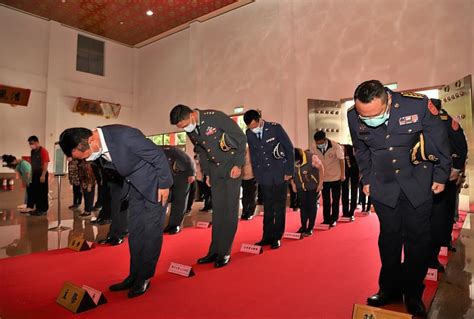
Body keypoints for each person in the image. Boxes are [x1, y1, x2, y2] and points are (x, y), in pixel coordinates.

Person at [348, 80, 451, 317]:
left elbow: (440, 139)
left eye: (375, 115)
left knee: (417, 240)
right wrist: (366, 179)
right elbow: (360, 150)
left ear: (387, 100)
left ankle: (413, 293)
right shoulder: (353, 115)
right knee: (389, 240)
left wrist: (442, 175)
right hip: (383, 186)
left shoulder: (416, 105)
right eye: (365, 117)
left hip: (417, 181)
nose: (369, 120)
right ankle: (389, 289)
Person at [58, 125, 172, 298]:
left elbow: (157, 155)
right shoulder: (98, 145)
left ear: (91, 141)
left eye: (86, 156)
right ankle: (134, 275)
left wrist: (164, 184)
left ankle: (144, 277)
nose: (87, 160)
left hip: (155, 187)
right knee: (135, 232)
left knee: (150, 233)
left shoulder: (124, 136)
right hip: (134, 187)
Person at [170, 104, 246, 268]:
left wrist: (238, 165)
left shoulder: (215, 116)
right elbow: (201, 150)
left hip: (231, 167)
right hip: (215, 170)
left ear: (191, 115)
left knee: (229, 211)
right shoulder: (191, 130)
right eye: (181, 128)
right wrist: (207, 173)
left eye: (184, 125)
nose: (185, 129)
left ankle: (224, 251)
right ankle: (214, 251)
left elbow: (240, 138)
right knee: (218, 211)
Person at [244, 109, 294, 249]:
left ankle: (277, 237)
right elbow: (253, 155)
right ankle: (266, 236)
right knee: (268, 207)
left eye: (254, 126)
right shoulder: (249, 133)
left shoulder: (275, 128)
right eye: (250, 128)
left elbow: (289, 148)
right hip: (264, 176)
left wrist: (289, 170)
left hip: (280, 172)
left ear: (259, 120)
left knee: (279, 206)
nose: (253, 129)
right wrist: (257, 174)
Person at [427, 99, 468, 271]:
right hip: (427, 177)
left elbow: (460, 145)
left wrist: (457, 169)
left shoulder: (446, 121)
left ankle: (434, 255)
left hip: (444, 176)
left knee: (440, 217)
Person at [313, 131, 345, 227]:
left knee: (335, 199)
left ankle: (334, 219)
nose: (319, 145)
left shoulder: (336, 146)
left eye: (320, 142)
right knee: (326, 200)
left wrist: (342, 174)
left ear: (325, 139)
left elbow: (341, 161)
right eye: (317, 143)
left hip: (336, 177)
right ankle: (326, 219)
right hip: (324, 178)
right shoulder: (314, 148)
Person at [162, 146, 196, 234]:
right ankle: (170, 225)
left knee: (180, 201)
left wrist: (191, 173)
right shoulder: (150, 152)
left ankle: (176, 225)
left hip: (182, 176)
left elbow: (188, 160)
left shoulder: (170, 149)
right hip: (167, 178)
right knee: (166, 201)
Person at [290, 148, 324, 236]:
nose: (296, 164)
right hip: (300, 186)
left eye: (297, 162)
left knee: (311, 207)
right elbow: (291, 174)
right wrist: (293, 184)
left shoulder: (312, 158)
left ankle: (310, 228)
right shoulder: (290, 158)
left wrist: (320, 184)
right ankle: (303, 227)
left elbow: (321, 169)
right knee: (303, 207)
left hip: (312, 186)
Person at [27, 136, 50, 216]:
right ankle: (38, 208)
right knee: (35, 192)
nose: (31, 145)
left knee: (42, 192)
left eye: (32, 143)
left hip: (42, 173)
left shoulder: (43, 151)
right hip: (35, 174)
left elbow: (45, 163)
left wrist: (43, 175)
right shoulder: (32, 151)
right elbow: (32, 163)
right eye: (30, 143)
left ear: (37, 142)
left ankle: (43, 209)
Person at [341, 144, 359, 220]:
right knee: (344, 191)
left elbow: (359, 161)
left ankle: (352, 211)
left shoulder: (352, 149)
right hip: (345, 173)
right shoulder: (339, 151)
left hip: (355, 172)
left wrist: (360, 173)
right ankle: (345, 212)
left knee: (354, 191)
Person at [241, 147, 257, 220]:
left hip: (252, 175)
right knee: (245, 195)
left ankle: (250, 212)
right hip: (243, 175)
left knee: (252, 195)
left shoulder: (252, 148)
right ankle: (244, 211)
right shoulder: (241, 148)